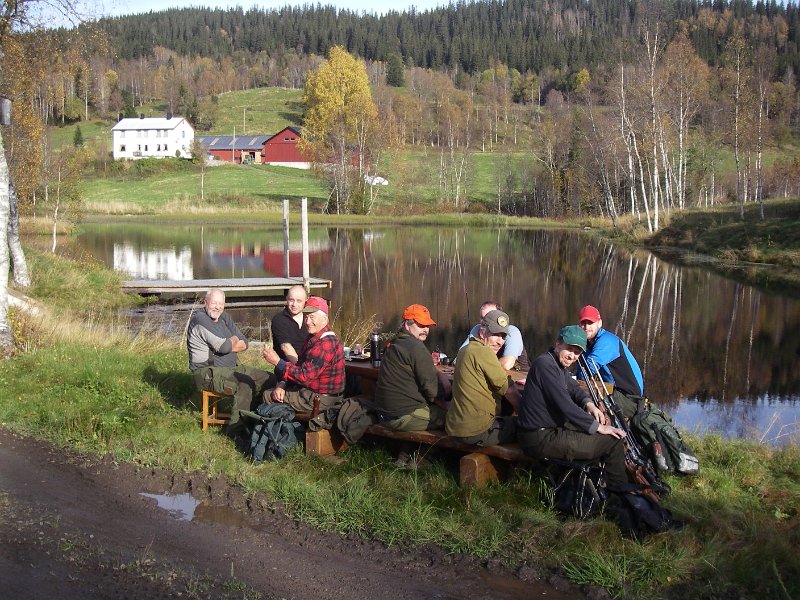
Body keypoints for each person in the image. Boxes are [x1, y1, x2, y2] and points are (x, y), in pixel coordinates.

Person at [516, 325, 628, 487]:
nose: (572, 356)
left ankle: (592, 484)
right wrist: (598, 427)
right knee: (612, 441)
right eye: (569, 349)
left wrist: (589, 404)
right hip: (538, 438)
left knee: (606, 425)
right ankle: (619, 495)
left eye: (577, 352)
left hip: (548, 430)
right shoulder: (544, 365)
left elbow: (573, 387)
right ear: (558, 344)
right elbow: (565, 405)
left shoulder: (555, 364)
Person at [187, 288, 272, 435]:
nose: (217, 307)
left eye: (221, 303)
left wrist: (228, 344)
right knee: (244, 384)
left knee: (269, 378)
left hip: (232, 368)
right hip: (207, 374)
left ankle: (255, 418)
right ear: (205, 302)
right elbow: (224, 346)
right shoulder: (200, 319)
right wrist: (231, 341)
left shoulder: (224, 317)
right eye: (214, 303)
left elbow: (244, 343)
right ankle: (236, 431)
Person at [446, 309, 519, 446]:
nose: (500, 341)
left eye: (503, 336)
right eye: (495, 334)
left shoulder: (464, 350)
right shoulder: (484, 352)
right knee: (524, 427)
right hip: (477, 431)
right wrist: (526, 414)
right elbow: (509, 390)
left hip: (455, 427)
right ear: (482, 332)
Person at [374, 304, 451, 432]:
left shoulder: (394, 343)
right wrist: (447, 397)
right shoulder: (416, 347)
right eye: (421, 325)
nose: (425, 330)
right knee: (457, 419)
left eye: (427, 326)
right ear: (407, 325)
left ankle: (406, 450)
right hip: (401, 416)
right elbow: (433, 391)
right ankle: (428, 452)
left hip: (384, 413)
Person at [262, 296, 345, 413]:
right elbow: (299, 367)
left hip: (322, 399)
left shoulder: (325, 344)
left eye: (312, 317)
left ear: (325, 319)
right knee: (276, 391)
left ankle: (277, 429)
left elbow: (304, 376)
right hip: (312, 393)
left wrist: (277, 362)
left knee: (268, 395)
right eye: (306, 317)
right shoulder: (313, 338)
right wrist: (283, 384)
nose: (307, 322)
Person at [577, 305, 645, 419]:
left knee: (582, 404)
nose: (586, 327)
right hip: (613, 392)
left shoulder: (608, 340)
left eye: (590, 323)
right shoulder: (587, 343)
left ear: (599, 323)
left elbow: (589, 367)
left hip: (630, 400)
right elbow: (581, 369)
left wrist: (575, 384)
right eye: (583, 323)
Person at [460, 300, 528, 370]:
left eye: (489, 316)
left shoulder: (512, 331)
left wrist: (476, 367)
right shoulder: (478, 329)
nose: (484, 321)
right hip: (490, 375)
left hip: (520, 376)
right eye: (482, 318)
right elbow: (460, 358)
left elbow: (507, 364)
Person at [270, 284, 309, 364]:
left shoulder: (310, 318)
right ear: (287, 299)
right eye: (291, 300)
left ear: (306, 300)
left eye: (299, 301)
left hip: (310, 366)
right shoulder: (279, 319)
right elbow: (286, 347)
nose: (294, 304)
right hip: (287, 368)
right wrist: (300, 369)